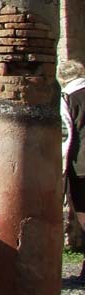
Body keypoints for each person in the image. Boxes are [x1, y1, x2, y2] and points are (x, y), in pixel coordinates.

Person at [58, 59, 85, 278]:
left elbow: (66, 136)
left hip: (81, 165)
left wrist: (62, 168)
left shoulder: (67, 97)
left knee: (84, 212)